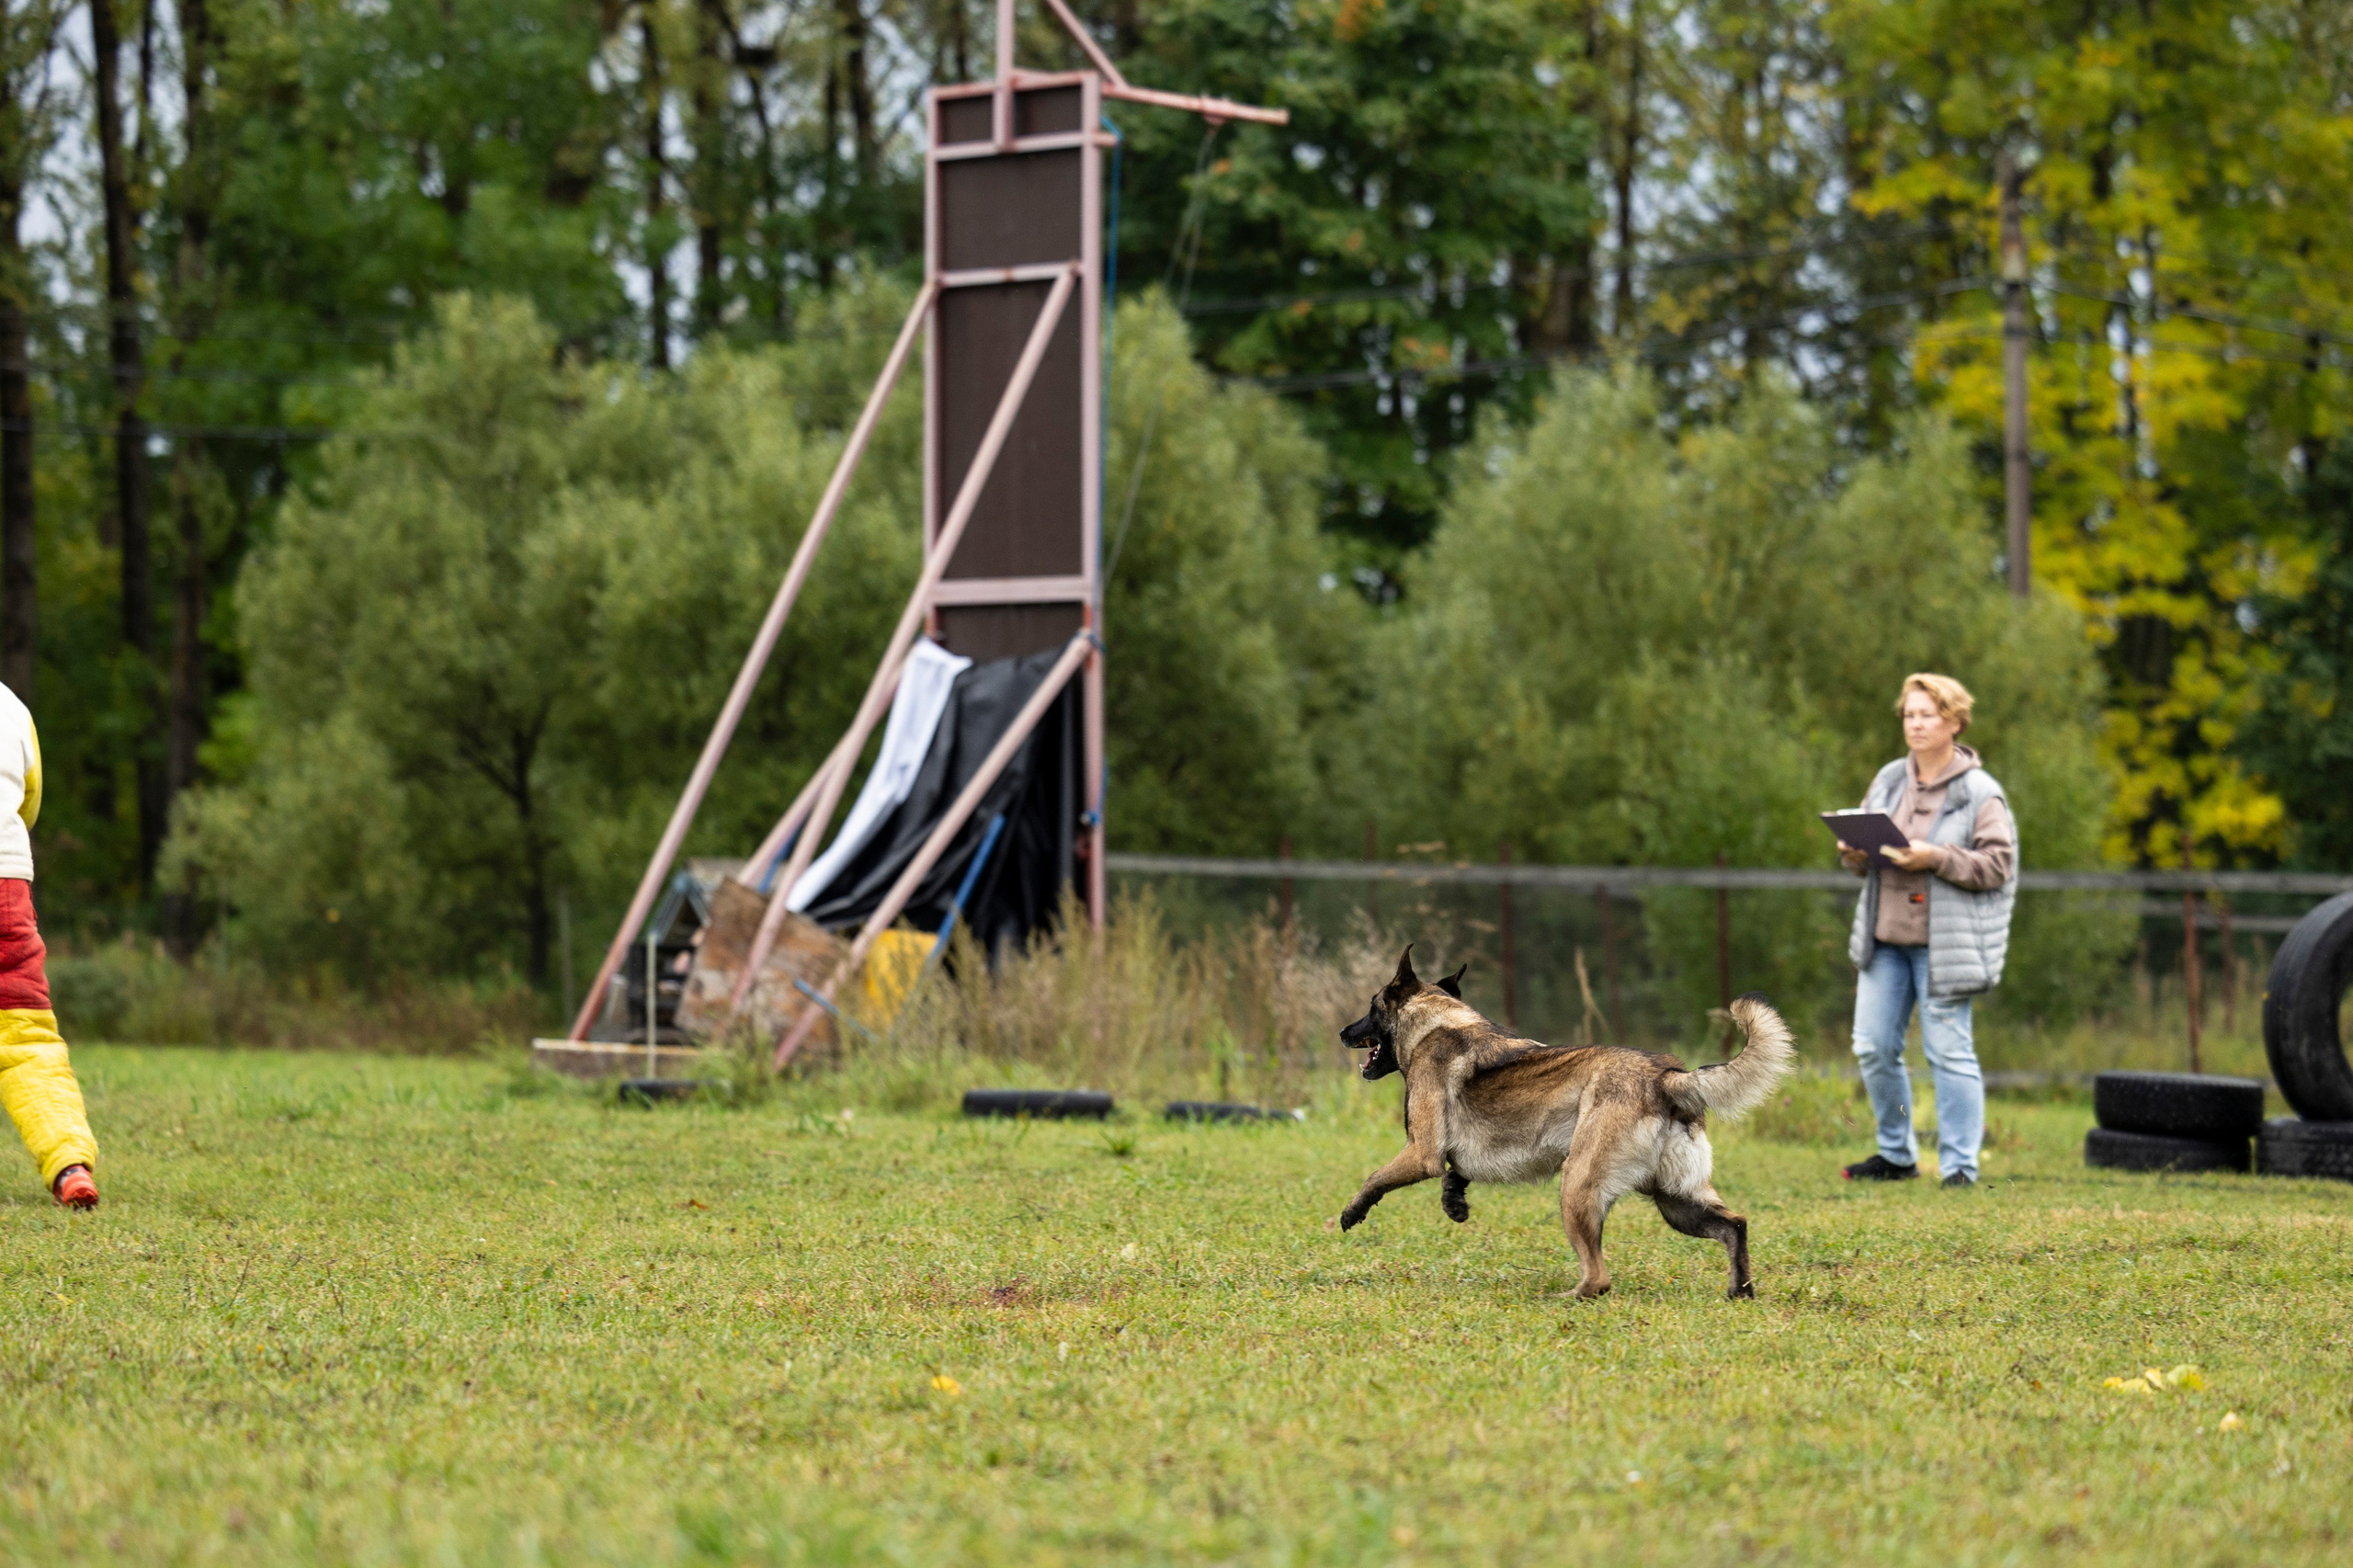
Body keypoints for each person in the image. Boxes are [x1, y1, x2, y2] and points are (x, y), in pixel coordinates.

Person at [1835, 673, 2016, 1188]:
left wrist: (1935, 856)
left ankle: (1960, 1166)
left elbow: (1998, 864)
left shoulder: (1981, 791)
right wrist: (1853, 853)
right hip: (1885, 940)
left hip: (1944, 948)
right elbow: (1865, 854)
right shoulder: (1889, 778)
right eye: (1910, 714)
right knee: (1872, 1046)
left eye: (1927, 715)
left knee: (1948, 1052)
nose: (1915, 724)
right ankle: (1897, 1155)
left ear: (1955, 723)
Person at [0, 682, 98, 1209]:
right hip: (6, 891)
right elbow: (29, 803)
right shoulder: (11, 707)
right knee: (28, 1041)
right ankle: (69, 1165)